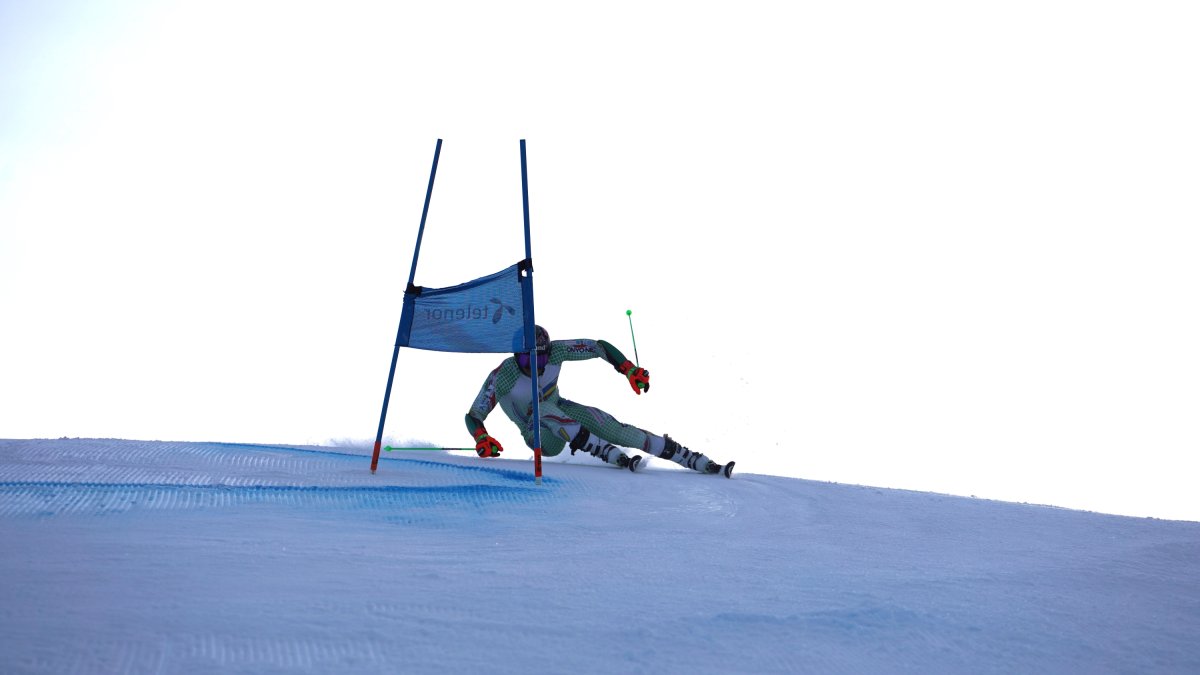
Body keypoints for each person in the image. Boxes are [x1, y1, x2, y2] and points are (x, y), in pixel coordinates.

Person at [465, 325, 732, 476]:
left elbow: (598, 346)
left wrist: (627, 368)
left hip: (562, 413)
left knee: (609, 425)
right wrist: (481, 437)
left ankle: (690, 458)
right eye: (527, 359)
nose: (536, 365)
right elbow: (474, 415)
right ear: (516, 356)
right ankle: (602, 450)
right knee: (542, 408)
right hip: (539, 436)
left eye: (541, 358)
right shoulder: (503, 376)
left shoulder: (557, 351)